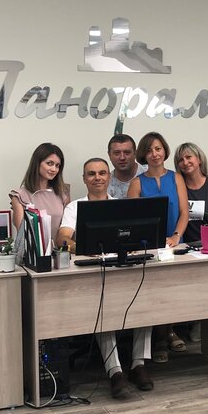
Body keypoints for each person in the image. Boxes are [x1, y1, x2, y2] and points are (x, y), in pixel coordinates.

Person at [57, 157, 155, 398]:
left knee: (144, 300)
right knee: (103, 308)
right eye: (91, 174)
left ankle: (138, 364)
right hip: (93, 273)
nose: (97, 178)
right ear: (84, 179)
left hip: (123, 268)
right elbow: (62, 238)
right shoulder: (75, 207)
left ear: (109, 177)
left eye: (102, 173)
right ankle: (115, 372)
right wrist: (80, 247)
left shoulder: (121, 206)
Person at [128, 132, 189, 355]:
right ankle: (161, 338)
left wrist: (175, 237)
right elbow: (132, 220)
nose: (154, 154)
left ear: (164, 151)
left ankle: (169, 332)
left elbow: (184, 213)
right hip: (148, 247)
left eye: (158, 149)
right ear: (143, 155)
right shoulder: (137, 183)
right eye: (149, 150)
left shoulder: (176, 178)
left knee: (172, 292)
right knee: (155, 295)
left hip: (174, 244)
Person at [9, 142, 70, 246]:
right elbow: (23, 235)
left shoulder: (63, 193)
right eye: (49, 163)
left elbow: (66, 230)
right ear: (37, 163)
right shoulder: (19, 196)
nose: (54, 169)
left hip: (59, 251)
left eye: (57, 165)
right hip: (33, 252)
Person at [175, 142, 208, 244]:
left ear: (199, 159)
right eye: (181, 160)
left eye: (188, 157)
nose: (185, 162)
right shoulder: (176, 187)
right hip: (181, 246)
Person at [107, 133, 145, 199]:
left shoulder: (149, 175)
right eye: (117, 153)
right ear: (109, 155)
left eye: (127, 153)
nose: (122, 158)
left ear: (135, 153)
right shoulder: (105, 183)